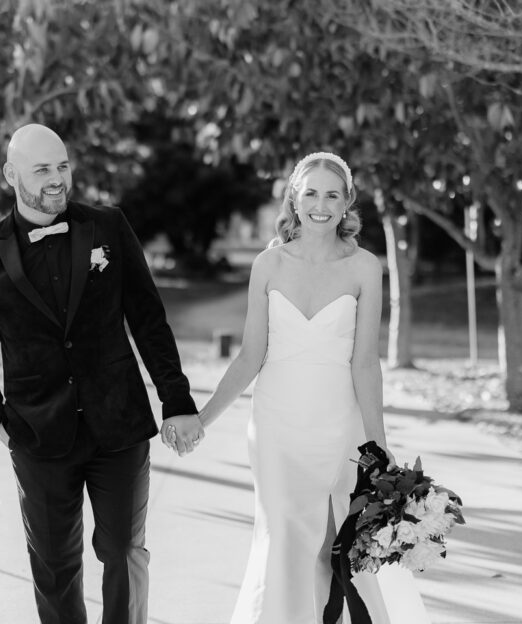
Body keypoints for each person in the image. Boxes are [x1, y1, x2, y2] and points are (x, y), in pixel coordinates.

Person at [0, 123, 204, 624]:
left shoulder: (108, 226)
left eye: (62, 166)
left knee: (124, 553)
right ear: (10, 174)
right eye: (42, 169)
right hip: (36, 432)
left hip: (119, 424)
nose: (56, 179)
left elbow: (148, 319)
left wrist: (176, 399)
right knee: (54, 565)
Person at [170, 152, 429, 623]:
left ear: (348, 201)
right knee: (286, 543)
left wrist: (379, 445)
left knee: (337, 549)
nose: (320, 205)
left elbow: (366, 362)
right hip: (276, 429)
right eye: (310, 193)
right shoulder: (268, 265)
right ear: (294, 197)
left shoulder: (364, 267)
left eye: (332, 194)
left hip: (339, 428)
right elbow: (251, 355)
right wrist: (202, 421)